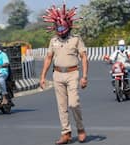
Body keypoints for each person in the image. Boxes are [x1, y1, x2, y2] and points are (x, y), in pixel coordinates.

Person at [40, 3, 88, 144]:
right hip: (58, 75)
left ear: (68, 26)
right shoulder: (53, 41)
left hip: (73, 74)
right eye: (58, 28)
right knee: (62, 106)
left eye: (63, 27)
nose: (60, 30)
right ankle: (65, 133)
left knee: (73, 103)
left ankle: (80, 129)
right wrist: (43, 76)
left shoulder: (76, 39)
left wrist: (84, 77)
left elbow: (84, 57)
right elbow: (48, 58)